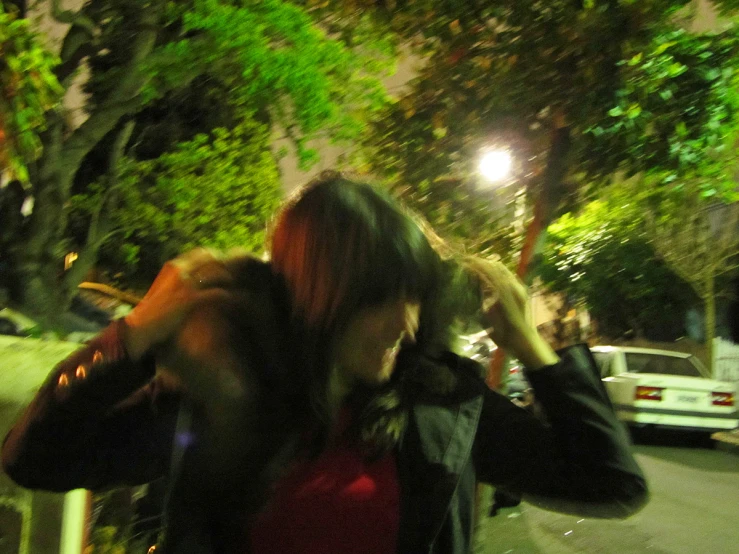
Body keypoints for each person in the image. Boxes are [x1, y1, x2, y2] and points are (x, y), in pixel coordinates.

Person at [2, 172, 648, 553]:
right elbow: (39, 460)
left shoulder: (435, 405)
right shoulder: (223, 396)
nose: (408, 323)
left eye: (415, 299)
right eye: (380, 301)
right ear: (317, 299)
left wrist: (537, 349)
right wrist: (134, 333)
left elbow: (607, 484)